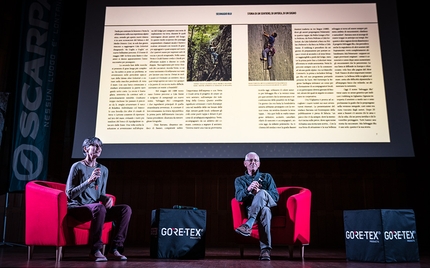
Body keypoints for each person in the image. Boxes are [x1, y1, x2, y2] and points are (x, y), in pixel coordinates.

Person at [66, 137, 132, 262]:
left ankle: (114, 249)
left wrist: (106, 198)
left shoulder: (104, 169)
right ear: (85, 149)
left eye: (100, 146)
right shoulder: (77, 166)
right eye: (95, 145)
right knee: (99, 207)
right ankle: (95, 250)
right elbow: (70, 194)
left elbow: (100, 194)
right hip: (78, 208)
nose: (98, 148)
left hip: (95, 210)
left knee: (125, 209)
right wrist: (89, 181)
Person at [234, 152, 279, 261]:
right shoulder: (239, 180)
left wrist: (259, 192)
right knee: (265, 211)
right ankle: (265, 251)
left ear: (259, 164)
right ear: (245, 163)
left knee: (262, 192)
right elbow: (238, 197)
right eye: (250, 160)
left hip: (269, 202)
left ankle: (248, 224)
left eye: (255, 161)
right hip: (251, 209)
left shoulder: (267, 177)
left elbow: (275, 196)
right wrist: (248, 190)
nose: (253, 162)